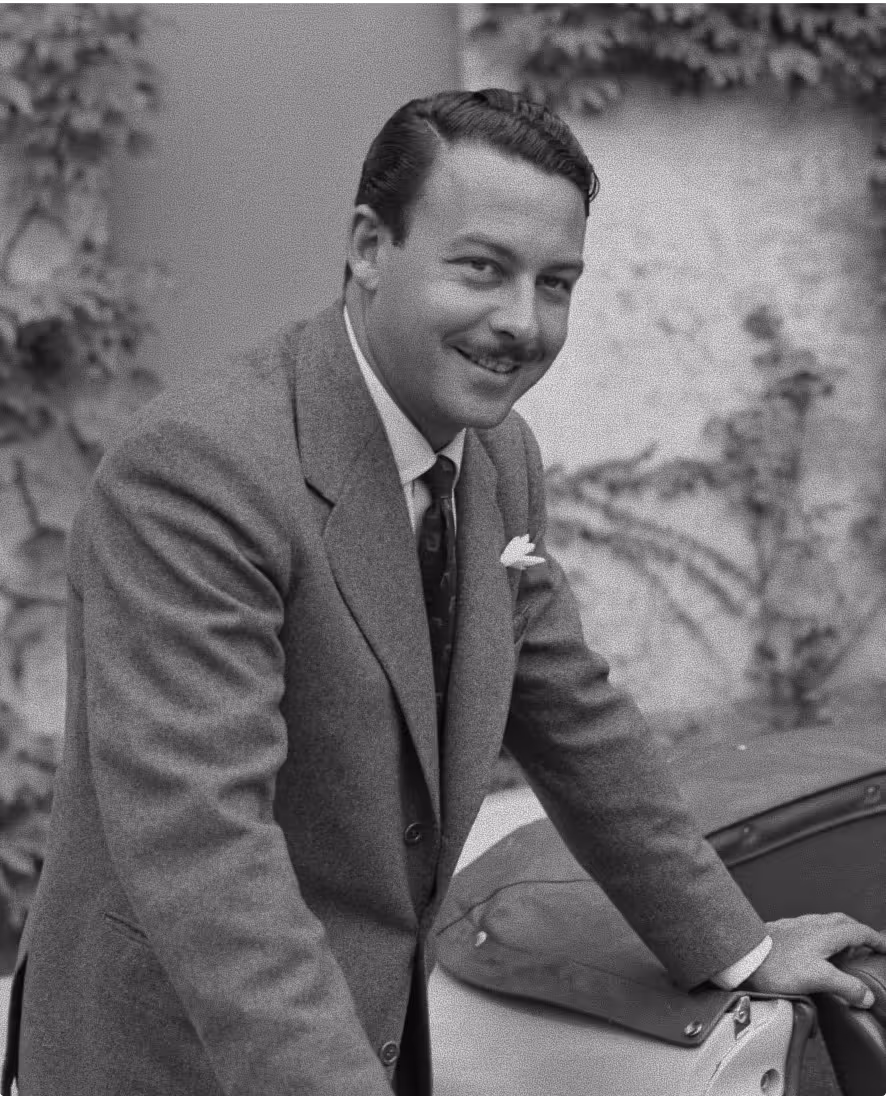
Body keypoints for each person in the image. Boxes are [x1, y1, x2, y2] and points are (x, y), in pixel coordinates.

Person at [3, 88, 884, 1096]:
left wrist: (736, 948)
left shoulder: (499, 456)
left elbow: (571, 713)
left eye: (556, 283)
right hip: (170, 1056)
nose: (522, 320)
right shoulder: (200, 472)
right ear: (369, 247)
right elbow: (206, 854)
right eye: (481, 268)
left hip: (372, 1026)